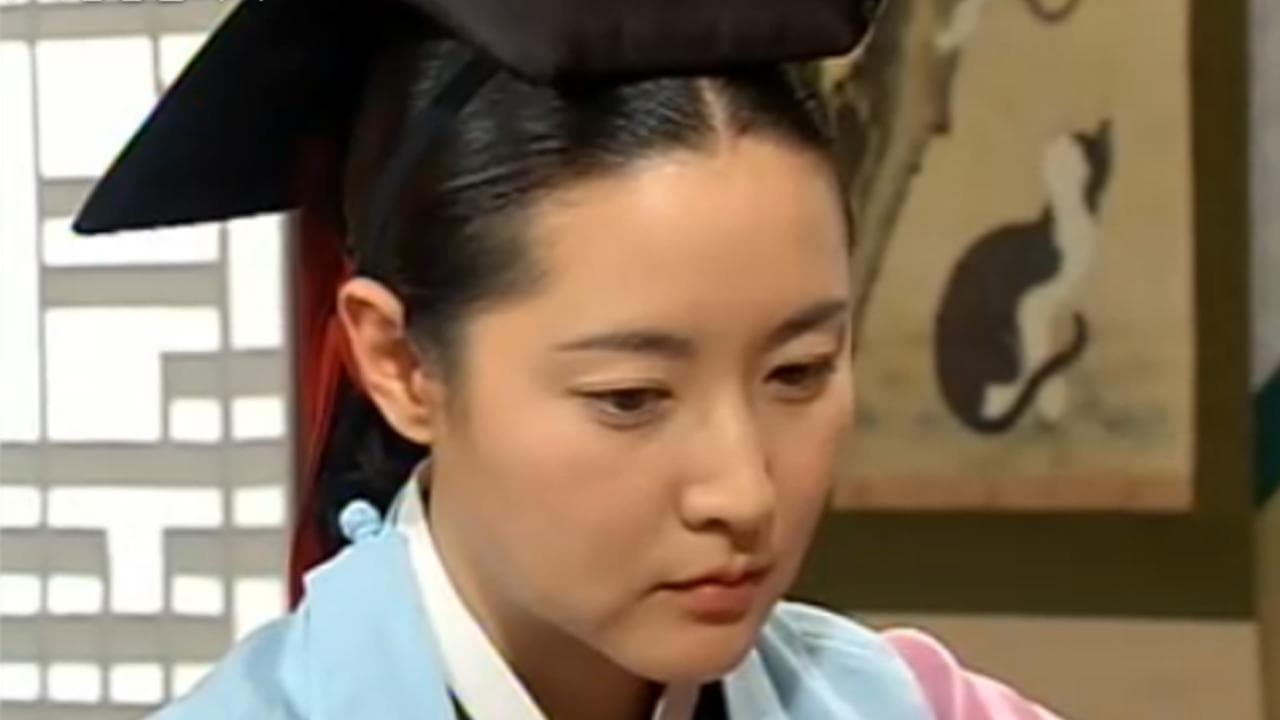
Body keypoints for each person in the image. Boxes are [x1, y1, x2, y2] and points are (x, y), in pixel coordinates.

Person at [75, 0, 1063, 717]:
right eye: (631, 396)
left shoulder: (909, 705)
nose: (742, 493)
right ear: (402, 364)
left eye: (797, 372)